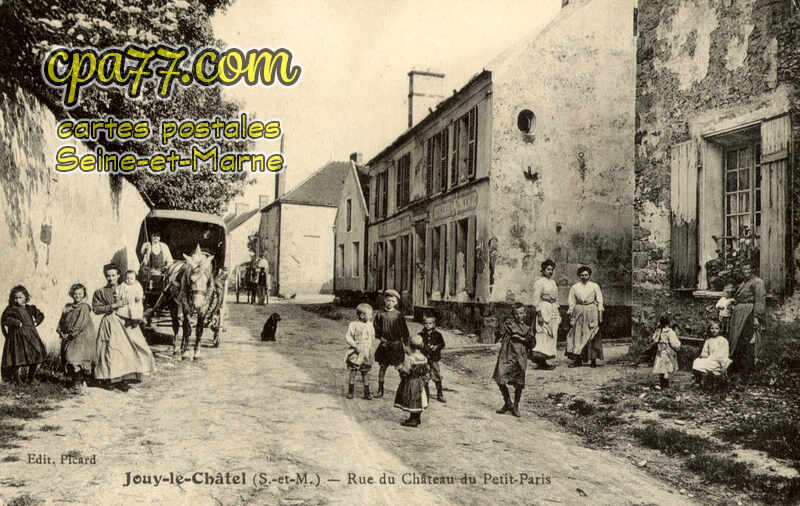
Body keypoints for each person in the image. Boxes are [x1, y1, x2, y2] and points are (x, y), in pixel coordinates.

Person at [93, 263, 155, 391]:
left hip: (126, 322)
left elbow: (137, 302)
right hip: (110, 321)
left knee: (130, 349)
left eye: (113, 275)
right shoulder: (101, 292)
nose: (111, 278)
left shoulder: (128, 287)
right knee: (111, 350)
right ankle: (109, 378)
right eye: (108, 276)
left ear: (119, 275)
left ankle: (125, 378)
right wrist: (113, 306)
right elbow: (96, 309)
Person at [492, 303, 533, 417]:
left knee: (519, 381)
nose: (522, 315)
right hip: (507, 354)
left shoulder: (527, 328)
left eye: (523, 313)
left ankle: (515, 406)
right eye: (519, 313)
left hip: (520, 356)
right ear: (514, 314)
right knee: (500, 377)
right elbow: (500, 333)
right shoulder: (508, 324)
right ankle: (507, 402)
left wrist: (521, 338)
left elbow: (531, 342)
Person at [1, 285, 47, 385]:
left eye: (20, 297)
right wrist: (16, 322)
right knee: (17, 358)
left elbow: (41, 315)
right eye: (15, 297)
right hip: (17, 338)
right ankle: (18, 380)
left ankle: (31, 378)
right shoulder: (11, 308)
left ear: (26, 297)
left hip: (31, 336)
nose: (17, 300)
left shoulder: (30, 308)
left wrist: (36, 321)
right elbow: (4, 320)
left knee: (37, 354)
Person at [727, 262, 766, 377]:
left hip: (748, 314)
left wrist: (756, 317)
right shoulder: (745, 282)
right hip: (739, 314)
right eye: (743, 269)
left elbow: (760, 300)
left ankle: (746, 371)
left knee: (747, 340)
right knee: (736, 340)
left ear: (753, 270)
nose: (745, 271)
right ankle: (737, 369)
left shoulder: (758, 282)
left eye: (748, 269)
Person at [57, 283, 96, 392]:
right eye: (75, 294)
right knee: (69, 358)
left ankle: (79, 383)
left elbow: (80, 323)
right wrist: (60, 330)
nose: (77, 296)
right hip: (69, 336)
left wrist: (71, 334)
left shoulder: (84, 307)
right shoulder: (68, 307)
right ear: (71, 294)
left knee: (75, 359)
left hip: (81, 337)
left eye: (80, 294)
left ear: (84, 295)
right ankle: (77, 381)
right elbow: (62, 320)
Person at [565, 266, 604, 368]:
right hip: (578, 312)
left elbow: (600, 301)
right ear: (579, 276)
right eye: (582, 275)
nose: (584, 277)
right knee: (577, 335)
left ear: (589, 275)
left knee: (592, 334)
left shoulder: (594, 286)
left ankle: (593, 359)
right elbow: (571, 301)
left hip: (591, 311)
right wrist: (571, 313)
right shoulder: (575, 287)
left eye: (586, 275)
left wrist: (600, 315)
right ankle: (577, 359)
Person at [374, 289, 409, 398]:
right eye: (388, 300)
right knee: (382, 367)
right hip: (385, 345)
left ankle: (404, 390)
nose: (390, 303)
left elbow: (404, 331)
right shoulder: (380, 314)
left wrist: (406, 345)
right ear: (385, 300)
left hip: (396, 345)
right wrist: (380, 338)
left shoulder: (399, 315)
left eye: (393, 301)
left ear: (396, 302)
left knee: (400, 368)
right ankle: (380, 390)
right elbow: (376, 328)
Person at [393, 334, 430, 427]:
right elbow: (427, 370)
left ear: (411, 346)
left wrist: (399, 368)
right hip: (421, 382)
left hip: (412, 382)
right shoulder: (424, 358)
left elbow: (407, 371)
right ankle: (417, 418)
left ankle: (413, 420)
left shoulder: (411, 359)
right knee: (420, 400)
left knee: (412, 399)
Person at [530, 259, 560, 370]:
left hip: (552, 309)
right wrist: (539, 315)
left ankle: (546, 359)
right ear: (543, 270)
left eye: (552, 269)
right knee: (543, 334)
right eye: (548, 269)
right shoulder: (539, 282)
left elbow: (556, 299)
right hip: (543, 308)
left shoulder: (553, 283)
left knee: (552, 334)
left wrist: (558, 313)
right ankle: (540, 361)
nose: (550, 271)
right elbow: (536, 299)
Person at [344, 303, 375, 400]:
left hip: (366, 352)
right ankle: (350, 391)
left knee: (365, 372)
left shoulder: (370, 325)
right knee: (353, 370)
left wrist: (368, 347)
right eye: (369, 315)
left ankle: (366, 392)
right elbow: (348, 337)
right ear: (362, 315)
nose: (371, 316)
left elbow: (372, 336)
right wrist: (355, 346)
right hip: (356, 352)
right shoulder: (353, 325)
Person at [692, 321, 732, 387]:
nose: (714, 330)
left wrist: (717, 360)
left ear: (720, 330)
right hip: (710, 360)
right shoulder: (708, 340)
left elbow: (723, 354)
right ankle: (699, 381)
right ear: (709, 329)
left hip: (719, 361)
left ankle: (710, 379)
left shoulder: (723, 340)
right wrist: (703, 356)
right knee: (697, 361)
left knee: (711, 364)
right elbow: (704, 352)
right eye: (712, 328)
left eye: (716, 328)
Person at [419, 314, 446, 403]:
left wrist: (436, 347)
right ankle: (426, 394)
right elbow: (417, 344)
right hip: (424, 358)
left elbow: (442, 344)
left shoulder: (438, 334)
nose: (427, 325)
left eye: (430, 323)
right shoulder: (421, 334)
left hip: (434, 358)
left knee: (436, 375)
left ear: (434, 324)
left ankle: (440, 393)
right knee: (425, 376)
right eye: (426, 323)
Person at [651, 314, 681, 389]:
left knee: (665, 368)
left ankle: (665, 384)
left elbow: (674, 343)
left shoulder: (669, 332)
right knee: (662, 368)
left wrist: (676, 346)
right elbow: (654, 339)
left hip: (666, 351)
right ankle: (663, 384)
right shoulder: (660, 331)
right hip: (661, 351)